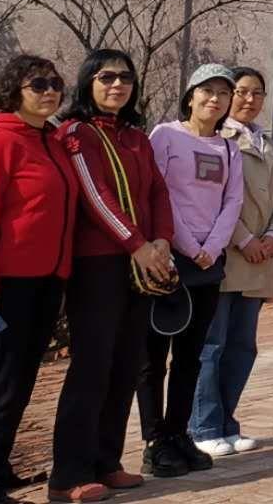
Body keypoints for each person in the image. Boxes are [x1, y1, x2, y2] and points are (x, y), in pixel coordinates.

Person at [51, 49, 174, 504]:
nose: (117, 85)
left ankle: (107, 461)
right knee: (92, 366)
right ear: (88, 81)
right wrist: (137, 243)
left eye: (125, 78)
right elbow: (95, 195)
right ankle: (68, 475)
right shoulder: (76, 133)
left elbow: (158, 189)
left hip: (141, 261)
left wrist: (162, 239)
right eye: (106, 77)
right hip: (99, 262)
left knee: (126, 364)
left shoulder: (136, 136)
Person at [0, 54, 77, 504]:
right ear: (15, 91)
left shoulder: (52, 139)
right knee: (1, 387)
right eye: (37, 85)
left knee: (23, 382)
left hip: (46, 281)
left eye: (55, 84)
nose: (49, 92)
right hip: (6, 287)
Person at [140, 64, 246, 478]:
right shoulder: (165, 136)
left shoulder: (229, 148)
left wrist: (212, 247)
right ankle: (154, 440)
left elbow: (232, 201)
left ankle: (177, 432)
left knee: (191, 356)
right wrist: (187, 243)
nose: (215, 99)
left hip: (208, 263)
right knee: (154, 356)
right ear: (190, 95)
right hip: (169, 258)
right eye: (207, 90)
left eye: (223, 93)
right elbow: (158, 192)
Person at [190, 67, 273, 457]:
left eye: (257, 93)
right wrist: (245, 240)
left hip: (259, 260)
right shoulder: (218, 140)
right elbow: (214, 200)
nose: (249, 100)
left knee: (242, 347)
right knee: (212, 345)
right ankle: (203, 426)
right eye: (242, 92)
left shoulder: (266, 143)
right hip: (226, 256)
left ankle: (227, 424)